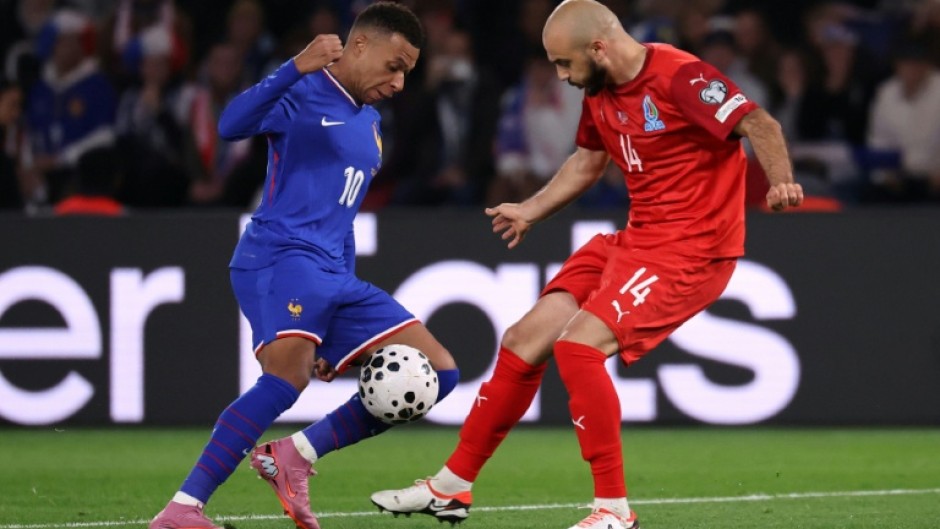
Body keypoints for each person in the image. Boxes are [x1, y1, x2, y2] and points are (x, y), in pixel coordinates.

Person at [370, 1, 803, 529]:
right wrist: (530, 209)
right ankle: (451, 486)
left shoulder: (680, 77)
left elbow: (759, 122)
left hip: (692, 251)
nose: (562, 75)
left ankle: (613, 511)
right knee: (523, 339)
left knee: (578, 350)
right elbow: (588, 161)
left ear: (598, 47)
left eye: (564, 64)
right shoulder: (599, 89)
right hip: (636, 241)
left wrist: (780, 179)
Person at [148, 4, 460, 529]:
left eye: (408, 70)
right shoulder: (303, 89)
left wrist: (338, 297)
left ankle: (294, 455)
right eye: (394, 65)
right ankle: (182, 509)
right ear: (359, 45)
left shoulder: (372, 122)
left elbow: (344, 216)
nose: (400, 81)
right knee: (285, 379)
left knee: (440, 374)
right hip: (278, 255)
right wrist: (294, 65)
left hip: (333, 272)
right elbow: (230, 125)